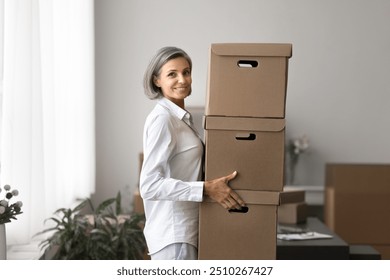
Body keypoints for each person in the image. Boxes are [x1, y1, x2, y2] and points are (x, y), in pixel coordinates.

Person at [139, 46, 246, 260]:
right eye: (172, 74)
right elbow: (149, 185)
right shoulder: (163, 119)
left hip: (184, 234)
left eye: (186, 72)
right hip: (174, 236)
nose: (182, 79)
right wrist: (205, 189)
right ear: (156, 80)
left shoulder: (181, 119)